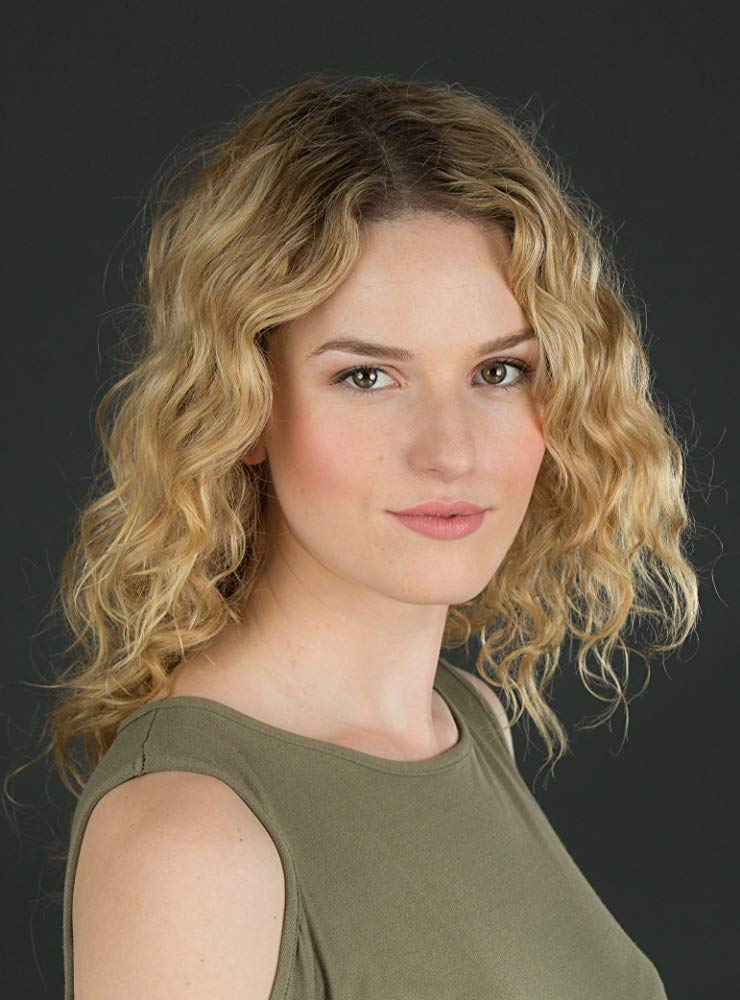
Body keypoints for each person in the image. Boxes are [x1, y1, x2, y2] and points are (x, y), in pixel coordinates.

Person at [25, 74, 700, 998]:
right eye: (368, 378)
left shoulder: (467, 720)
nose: (451, 451)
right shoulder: (189, 838)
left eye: (499, 371)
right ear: (242, 405)